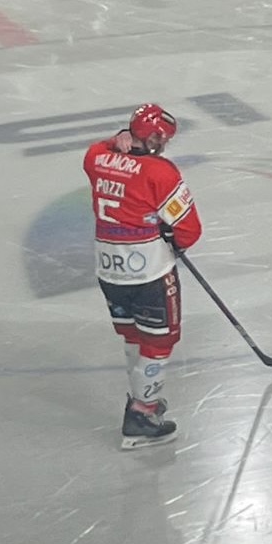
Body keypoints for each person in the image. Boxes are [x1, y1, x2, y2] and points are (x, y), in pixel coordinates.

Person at [84, 103, 202, 449]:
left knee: (134, 334)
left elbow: (101, 148)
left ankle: (139, 396)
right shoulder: (160, 173)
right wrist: (172, 240)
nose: (165, 145)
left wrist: (117, 138)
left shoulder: (96, 158)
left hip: (109, 268)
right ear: (154, 138)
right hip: (150, 272)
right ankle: (142, 413)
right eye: (163, 139)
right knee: (159, 341)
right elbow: (189, 230)